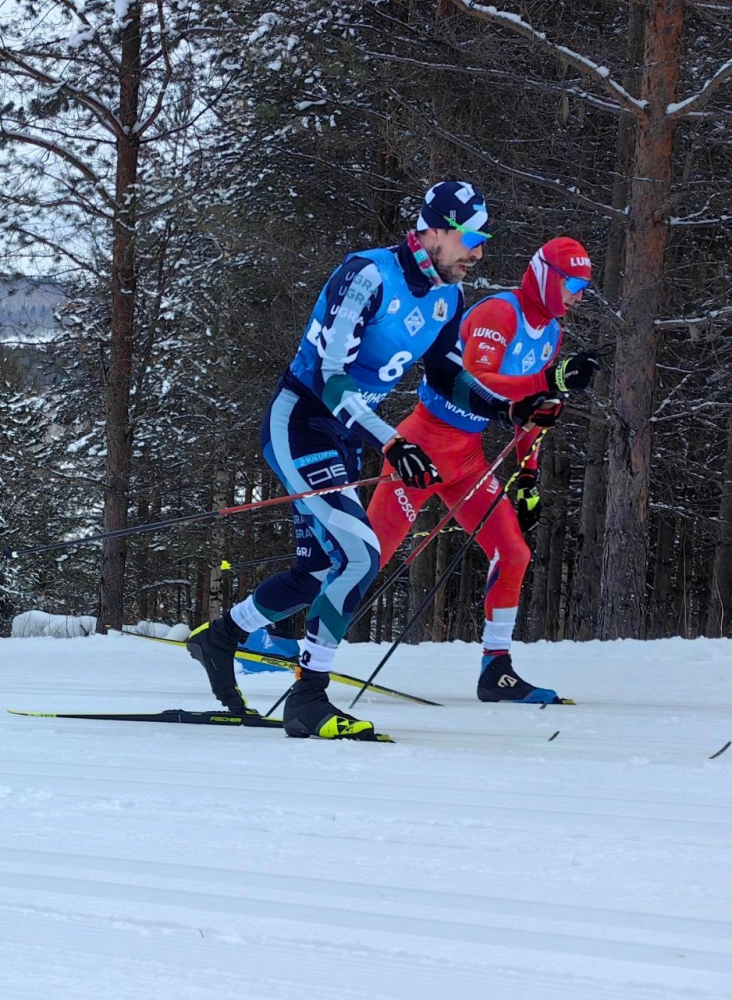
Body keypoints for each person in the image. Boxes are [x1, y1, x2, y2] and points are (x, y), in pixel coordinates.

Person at [187, 181, 551, 740]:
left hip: (346, 437)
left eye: (483, 241)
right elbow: (330, 381)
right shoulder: (369, 275)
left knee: (314, 573)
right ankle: (308, 701)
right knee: (360, 554)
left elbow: (449, 377)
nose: (477, 254)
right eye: (469, 239)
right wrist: (392, 442)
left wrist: (513, 407)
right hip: (303, 422)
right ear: (432, 230)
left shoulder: (447, 298)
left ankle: (222, 636)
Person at [367, 237, 598, 704]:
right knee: (368, 554)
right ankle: (277, 635)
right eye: (573, 282)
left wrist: (528, 475)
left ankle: (497, 669)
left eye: (585, 286)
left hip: (469, 458)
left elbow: (533, 409)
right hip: (424, 446)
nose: (579, 293)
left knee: (513, 552)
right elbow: (476, 377)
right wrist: (548, 380)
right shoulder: (500, 312)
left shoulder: (550, 333)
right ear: (548, 277)